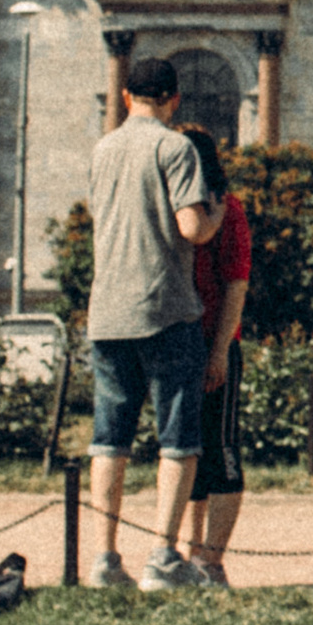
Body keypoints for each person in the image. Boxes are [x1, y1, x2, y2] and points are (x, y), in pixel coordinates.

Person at [85, 56, 223, 588]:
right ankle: (163, 558)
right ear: (174, 100)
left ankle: (104, 558)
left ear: (125, 97)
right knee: (177, 438)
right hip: (165, 308)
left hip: (107, 312)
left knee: (109, 440)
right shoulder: (175, 147)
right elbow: (192, 227)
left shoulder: (104, 150)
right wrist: (214, 210)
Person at [179, 122, 252, 584]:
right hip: (177, 344)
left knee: (221, 451)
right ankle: (191, 550)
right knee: (185, 451)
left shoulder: (230, 211)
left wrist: (220, 351)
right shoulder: (178, 212)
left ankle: (213, 559)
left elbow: (236, 283)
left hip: (215, 343)